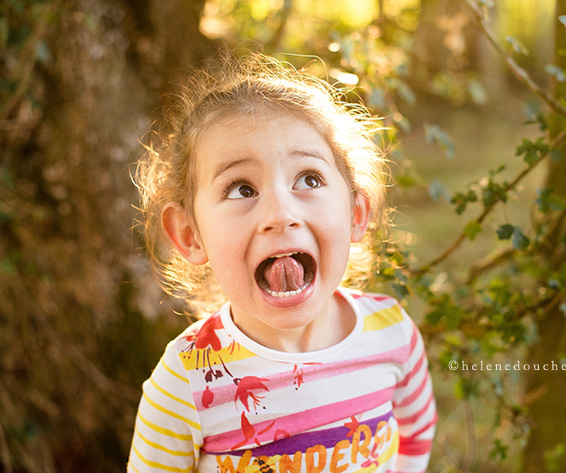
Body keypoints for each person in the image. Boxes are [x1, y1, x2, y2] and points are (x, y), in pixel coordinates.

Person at [128, 52, 436, 473]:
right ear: (189, 234)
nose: (280, 213)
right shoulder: (185, 382)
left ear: (355, 213)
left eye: (309, 179)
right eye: (240, 188)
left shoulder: (392, 334)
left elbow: (417, 431)